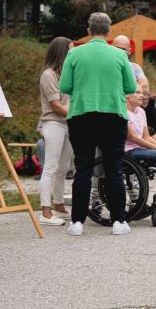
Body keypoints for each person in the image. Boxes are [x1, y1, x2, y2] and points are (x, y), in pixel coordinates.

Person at [60, 12, 138, 236]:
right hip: (113, 115)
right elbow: (131, 87)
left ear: (88, 30)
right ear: (109, 31)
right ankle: (119, 221)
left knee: (83, 168)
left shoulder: (74, 53)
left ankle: (77, 223)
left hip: (81, 114)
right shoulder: (119, 55)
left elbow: (65, 86)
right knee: (114, 168)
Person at [37, 37, 73, 226]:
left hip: (68, 123)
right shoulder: (48, 75)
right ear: (62, 53)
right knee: (50, 167)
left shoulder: (68, 73)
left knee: (64, 167)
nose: (73, 53)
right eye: (71, 50)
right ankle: (45, 211)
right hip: (54, 123)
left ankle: (59, 205)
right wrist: (78, 114)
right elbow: (56, 106)